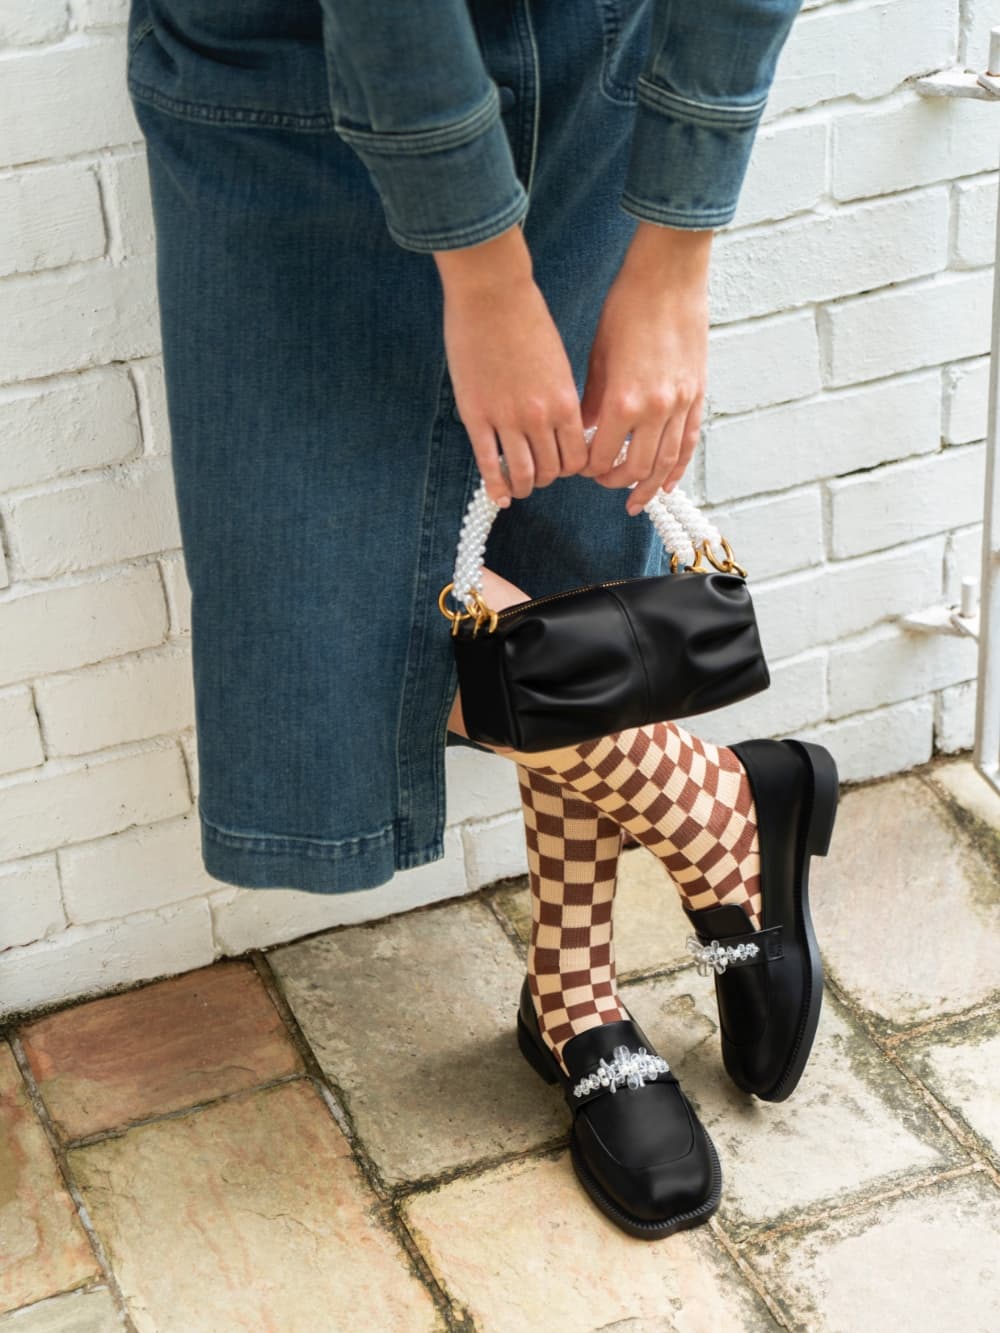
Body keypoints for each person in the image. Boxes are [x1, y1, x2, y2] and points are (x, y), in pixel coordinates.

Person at [125, 0, 836, 1240]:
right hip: (275, 71)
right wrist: (481, 271)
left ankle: (573, 1002)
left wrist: (673, 248)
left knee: (566, 572)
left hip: (582, 54)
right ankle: (721, 806)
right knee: (325, 640)